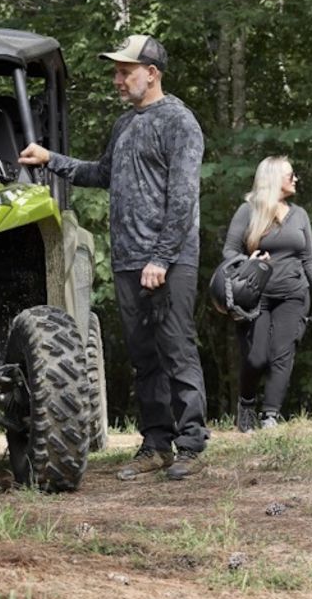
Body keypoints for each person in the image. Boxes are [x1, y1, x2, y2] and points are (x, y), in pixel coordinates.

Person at [18, 34, 208, 481]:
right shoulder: (125, 125)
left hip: (169, 260)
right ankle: (156, 445)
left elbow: (183, 198)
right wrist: (50, 159)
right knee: (144, 358)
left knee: (177, 349)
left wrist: (161, 258)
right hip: (127, 260)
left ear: (152, 74)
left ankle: (192, 444)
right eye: (116, 72)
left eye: (125, 72)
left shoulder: (179, 121)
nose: (117, 79)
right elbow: (102, 173)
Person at [223, 156, 312, 431]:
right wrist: (247, 261)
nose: (296, 179)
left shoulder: (300, 215)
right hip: (255, 295)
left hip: (294, 294)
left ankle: (270, 415)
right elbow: (229, 250)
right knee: (257, 356)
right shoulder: (248, 211)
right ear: (273, 179)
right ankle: (246, 404)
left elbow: (309, 259)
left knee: (283, 354)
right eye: (290, 175)